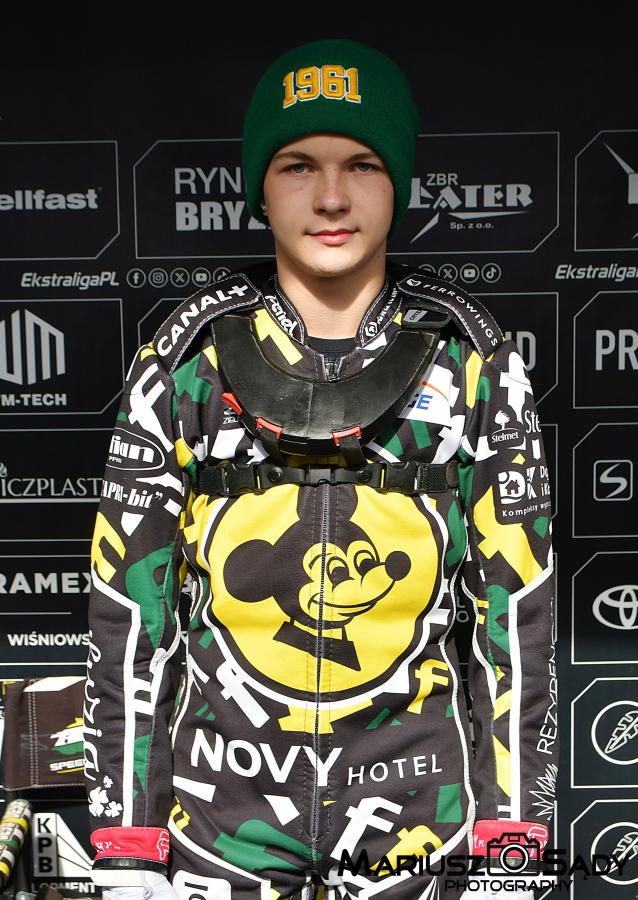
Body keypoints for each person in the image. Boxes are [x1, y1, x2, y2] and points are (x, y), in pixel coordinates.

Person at [83, 39, 558, 900]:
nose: (332, 197)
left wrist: (513, 844)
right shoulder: (185, 364)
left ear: (397, 184)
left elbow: (516, 625)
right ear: (261, 187)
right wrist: (125, 842)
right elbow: (130, 625)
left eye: (362, 165)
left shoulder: (472, 362)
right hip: (218, 834)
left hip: (419, 831)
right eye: (298, 165)